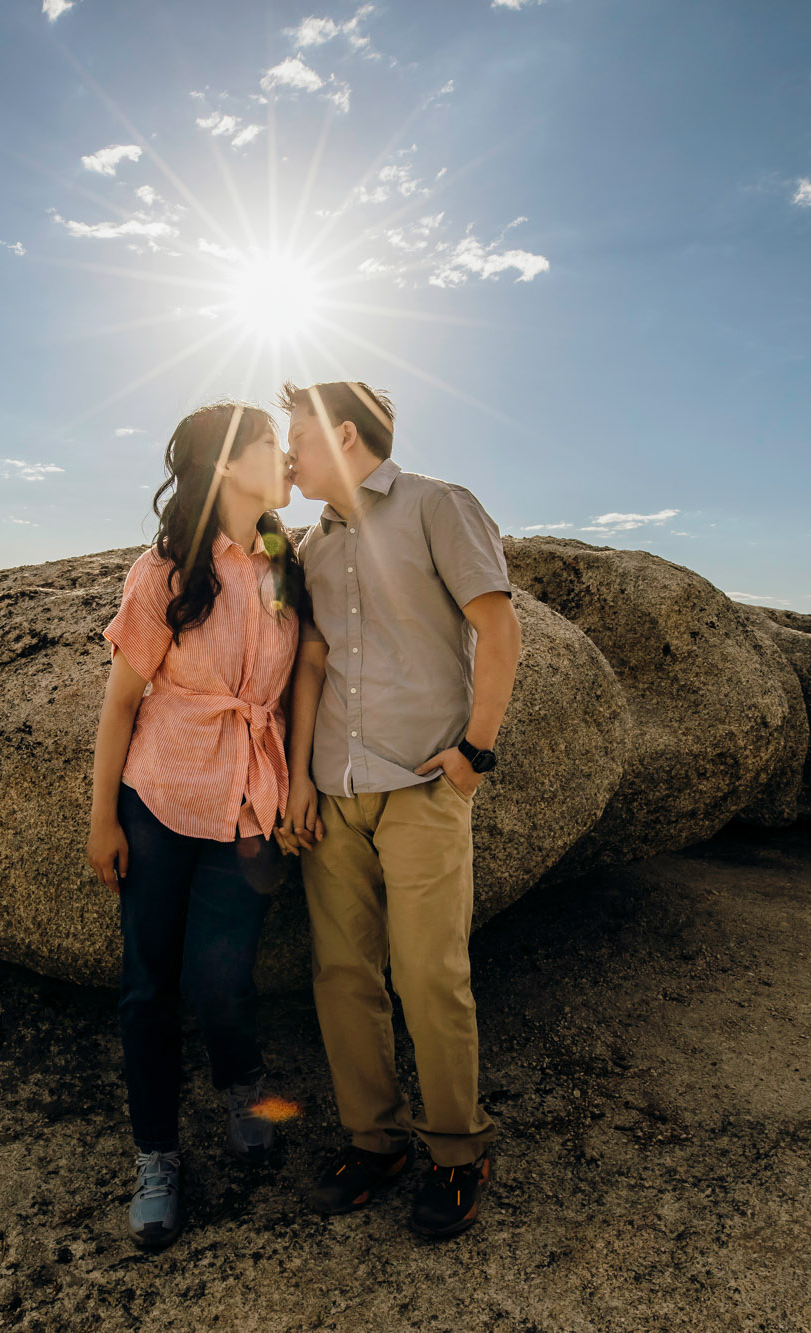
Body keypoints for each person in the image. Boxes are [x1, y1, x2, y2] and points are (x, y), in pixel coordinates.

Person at [279, 379, 522, 1240]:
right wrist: (301, 776)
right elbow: (311, 661)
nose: (288, 451)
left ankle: (458, 1154)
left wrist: (475, 751)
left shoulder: (438, 506)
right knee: (343, 977)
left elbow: (498, 627)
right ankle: (373, 1144)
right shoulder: (311, 543)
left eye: (298, 435)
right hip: (335, 795)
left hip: (422, 788)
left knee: (429, 976)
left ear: (345, 437)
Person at [85, 400, 305, 1250]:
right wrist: (103, 817)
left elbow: (301, 678)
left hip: (248, 803)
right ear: (227, 464)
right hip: (161, 799)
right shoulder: (167, 569)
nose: (286, 459)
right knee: (148, 988)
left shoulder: (287, 559)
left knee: (226, 977)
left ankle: (242, 1083)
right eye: (271, 446)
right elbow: (120, 705)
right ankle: (157, 1158)